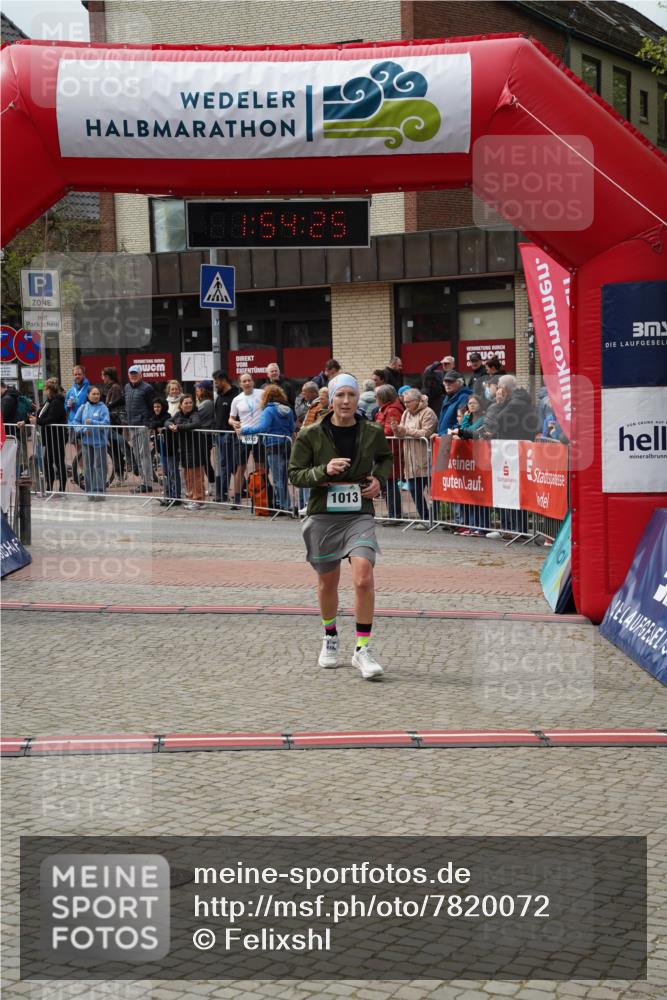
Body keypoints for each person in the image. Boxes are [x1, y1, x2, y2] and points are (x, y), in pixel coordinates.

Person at [288, 373, 392, 681]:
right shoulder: (310, 434)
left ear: (358, 399)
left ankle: (362, 649)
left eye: (351, 395)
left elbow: (385, 459)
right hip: (322, 515)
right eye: (340, 396)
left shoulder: (372, 431)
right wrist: (323, 470)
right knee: (327, 582)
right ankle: (330, 636)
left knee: (363, 577)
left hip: (359, 512)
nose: (346, 401)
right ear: (329, 400)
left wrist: (378, 481)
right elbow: (295, 474)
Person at [392, 387, 437, 526]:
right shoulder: (406, 413)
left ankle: (435, 518)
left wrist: (406, 430)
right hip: (410, 458)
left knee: (433, 492)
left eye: (408, 402)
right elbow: (401, 433)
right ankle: (425, 518)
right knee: (414, 490)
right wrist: (396, 429)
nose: (405, 405)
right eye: (404, 402)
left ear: (417, 401)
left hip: (426, 456)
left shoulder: (428, 412)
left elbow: (426, 433)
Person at [252, 384, 296, 512]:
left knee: (277, 478)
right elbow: (292, 428)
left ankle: (283, 505)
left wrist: (244, 430)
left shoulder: (268, 410)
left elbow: (263, 428)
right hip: (286, 444)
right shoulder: (287, 409)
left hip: (273, 445)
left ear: (266, 397)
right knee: (284, 477)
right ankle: (284, 503)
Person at [228, 372, 264, 508]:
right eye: (244, 381)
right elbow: (231, 418)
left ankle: (261, 496)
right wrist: (233, 423)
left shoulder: (261, 393)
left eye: (249, 380)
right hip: (243, 436)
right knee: (240, 467)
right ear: (240, 384)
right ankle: (237, 499)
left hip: (259, 435)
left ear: (253, 382)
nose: (247, 383)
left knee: (261, 467)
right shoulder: (237, 399)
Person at [167, 394, 204, 510]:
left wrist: (178, 427)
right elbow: (167, 421)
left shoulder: (195, 414)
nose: (188, 405)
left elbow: (196, 424)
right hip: (183, 449)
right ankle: (191, 497)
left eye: (190, 403)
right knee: (188, 475)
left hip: (196, 448)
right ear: (181, 405)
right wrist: (170, 426)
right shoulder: (178, 414)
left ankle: (198, 500)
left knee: (196, 476)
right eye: (186, 403)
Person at [72, 385, 110, 500]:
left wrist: (92, 422)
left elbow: (106, 423)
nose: (96, 396)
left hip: (100, 443)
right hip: (86, 443)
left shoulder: (103, 408)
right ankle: (90, 492)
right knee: (88, 467)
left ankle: (100, 492)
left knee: (99, 467)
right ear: (88, 395)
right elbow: (75, 422)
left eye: (98, 394)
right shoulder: (83, 407)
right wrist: (83, 429)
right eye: (93, 394)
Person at [31, 378, 67, 494]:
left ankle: (62, 488)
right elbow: (39, 414)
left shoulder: (57, 402)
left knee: (58, 462)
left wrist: (37, 421)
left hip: (57, 437)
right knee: (47, 462)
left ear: (50, 390)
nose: (44, 392)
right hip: (49, 437)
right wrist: (26, 420)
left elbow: (50, 419)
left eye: (45, 389)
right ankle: (49, 486)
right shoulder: (48, 402)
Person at [374, 384, 404, 522]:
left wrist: (374, 431)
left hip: (391, 450)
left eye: (377, 396)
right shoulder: (385, 409)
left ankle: (395, 515)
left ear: (383, 398)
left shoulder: (392, 410)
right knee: (387, 483)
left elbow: (390, 430)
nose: (375, 399)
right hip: (384, 449)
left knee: (391, 483)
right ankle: (392, 513)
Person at [124, 365, 155, 493]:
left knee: (144, 455)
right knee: (137, 454)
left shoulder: (147, 388)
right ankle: (143, 481)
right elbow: (123, 400)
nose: (133, 376)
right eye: (131, 373)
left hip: (142, 426)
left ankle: (147, 483)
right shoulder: (126, 387)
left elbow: (152, 406)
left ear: (141, 374)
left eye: (135, 373)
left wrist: (149, 423)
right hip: (132, 425)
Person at [101, 366, 130, 485]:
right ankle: (120, 474)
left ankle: (120, 475)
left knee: (116, 449)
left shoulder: (115, 388)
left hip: (114, 421)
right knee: (115, 449)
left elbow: (112, 405)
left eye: (103, 376)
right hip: (111, 421)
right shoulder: (109, 388)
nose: (102, 378)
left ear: (108, 377)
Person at [212, 370, 237, 502]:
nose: (215, 385)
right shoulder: (219, 396)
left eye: (216, 382)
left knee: (226, 464)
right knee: (227, 464)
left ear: (223, 380)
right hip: (220, 434)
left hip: (230, 434)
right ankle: (239, 488)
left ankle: (222, 492)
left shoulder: (235, 395)